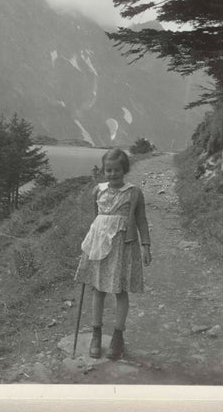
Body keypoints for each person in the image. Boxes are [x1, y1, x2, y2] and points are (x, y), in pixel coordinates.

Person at [74, 147, 152, 360]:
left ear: (124, 169)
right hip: (100, 246)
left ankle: (118, 336)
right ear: (103, 171)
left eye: (117, 170)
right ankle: (96, 334)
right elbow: (96, 219)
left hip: (122, 248)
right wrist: (90, 243)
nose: (112, 174)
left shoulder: (134, 192)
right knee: (97, 289)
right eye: (108, 170)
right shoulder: (98, 190)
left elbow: (142, 219)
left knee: (119, 291)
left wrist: (145, 244)